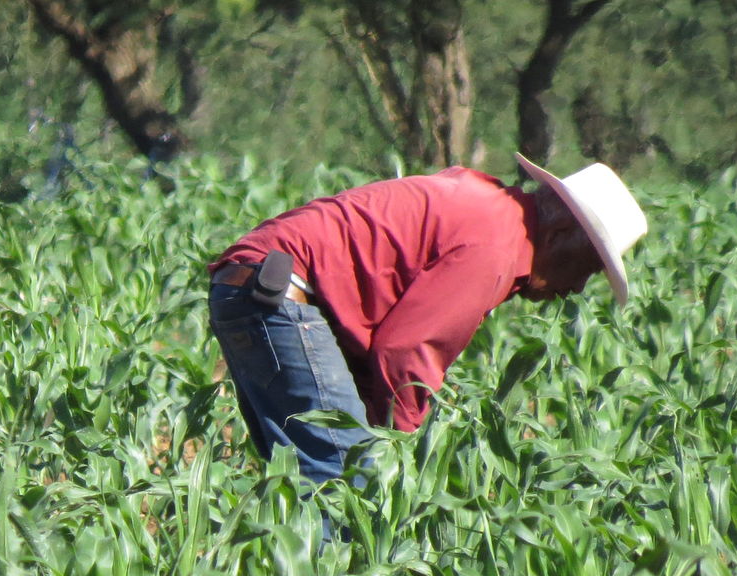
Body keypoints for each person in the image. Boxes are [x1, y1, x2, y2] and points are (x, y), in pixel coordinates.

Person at [207, 152, 648, 484]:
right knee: (347, 480)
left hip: (248, 287)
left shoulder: (490, 207)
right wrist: (403, 452)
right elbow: (407, 351)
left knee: (297, 476)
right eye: (588, 268)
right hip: (280, 296)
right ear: (560, 234)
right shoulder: (496, 246)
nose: (577, 288)